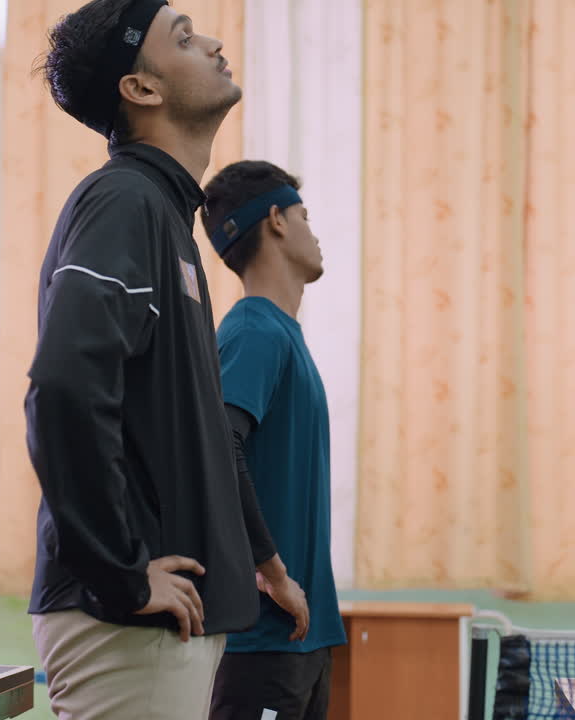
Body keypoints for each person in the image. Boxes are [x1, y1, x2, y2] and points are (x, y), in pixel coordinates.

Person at [24, 3, 307, 718]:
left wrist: (264, 564)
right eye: (182, 38)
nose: (212, 42)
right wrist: (121, 573)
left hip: (167, 616)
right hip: (129, 619)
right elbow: (61, 388)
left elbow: (205, 431)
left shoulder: (164, 217)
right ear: (142, 89)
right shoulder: (124, 200)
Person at [201, 161, 347, 720]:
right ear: (277, 221)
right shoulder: (254, 332)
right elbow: (221, 449)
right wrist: (274, 572)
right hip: (260, 643)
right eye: (304, 215)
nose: (315, 231)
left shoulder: (281, 335)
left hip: (301, 638)